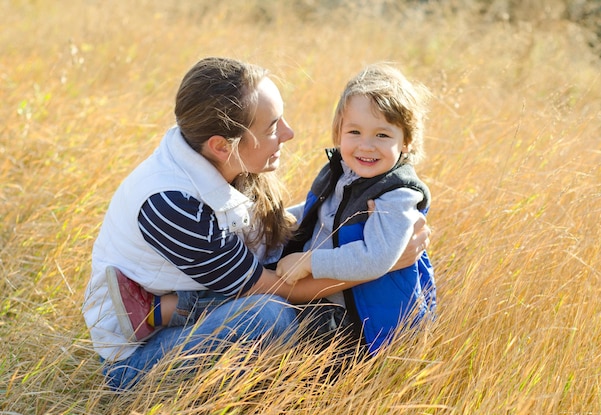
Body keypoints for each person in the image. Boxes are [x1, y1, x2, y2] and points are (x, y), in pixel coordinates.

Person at [82, 57, 432, 391]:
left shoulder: (215, 157)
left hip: (209, 309)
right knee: (267, 317)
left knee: (280, 300)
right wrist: (384, 263)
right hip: (141, 362)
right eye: (272, 127)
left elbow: (291, 227)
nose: (290, 133)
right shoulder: (174, 206)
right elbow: (272, 287)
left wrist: (383, 238)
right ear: (222, 145)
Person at [275, 63, 436, 354]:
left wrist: (309, 262)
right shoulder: (342, 172)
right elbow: (319, 212)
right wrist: (280, 218)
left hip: (361, 325)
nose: (366, 145)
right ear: (338, 133)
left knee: (299, 362)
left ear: (407, 142)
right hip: (329, 301)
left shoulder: (396, 194)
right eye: (355, 132)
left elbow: (376, 258)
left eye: (382, 135)